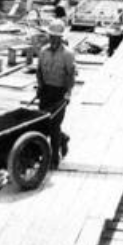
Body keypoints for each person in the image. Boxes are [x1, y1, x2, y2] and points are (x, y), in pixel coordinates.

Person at [35, 19, 77, 160]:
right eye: (51, 36)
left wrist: (68, 93)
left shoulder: (68, 54)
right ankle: (63, 139)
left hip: (59, 93)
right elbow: (39, 71)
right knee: (43, 124)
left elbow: (71, 75)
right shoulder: (43, 51)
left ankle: (54, 159)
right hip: (46, 92)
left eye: (57, 37)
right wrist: (40, 87)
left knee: (54, 126)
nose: (54, 39)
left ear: (61, 38)